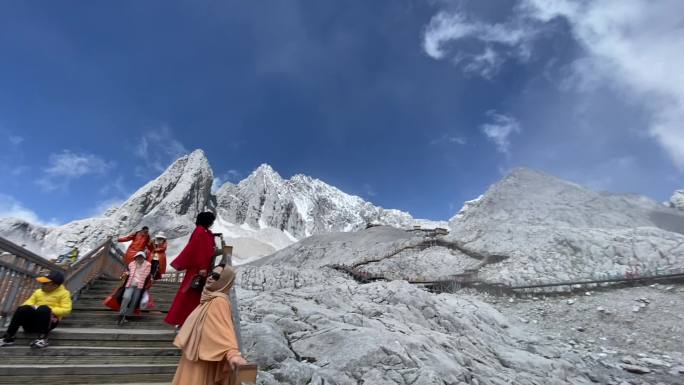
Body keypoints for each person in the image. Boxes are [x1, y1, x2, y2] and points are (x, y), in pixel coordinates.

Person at [172, 264, 247, 385]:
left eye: (216, 276)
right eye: (211, 274)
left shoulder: (219, 301)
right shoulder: (208, 299)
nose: (210, 278)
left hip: (203, 361)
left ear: (224, 281)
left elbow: (224, 330)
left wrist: (232, 354)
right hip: (195, 358)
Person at [164, 212, 218, 327]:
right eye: (211, 220)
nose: (212, 222)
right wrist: (202, 267)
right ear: (207, 220)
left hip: (200, 268)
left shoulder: (204, 231)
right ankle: (183, 320)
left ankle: (187, 320)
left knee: (193, 294)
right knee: (191, 294)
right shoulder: (200, 231)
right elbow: (199, 250)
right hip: (198, 269)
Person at [0, 270, 72, 349]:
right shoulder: (38, 292)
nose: (42, 285)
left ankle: (42, 339)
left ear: (55, 285)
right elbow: (27, 304)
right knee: (22, 308)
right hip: (30, 324)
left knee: (44, 309)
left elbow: (66, 310)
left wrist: (48, 309)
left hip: (49, 322)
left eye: (45, 283)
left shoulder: (64, 293)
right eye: (42, 283)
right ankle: (9, 336)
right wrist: (35, 308)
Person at [118, 251, 152, 325]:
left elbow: (146, 275)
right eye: (138, 257)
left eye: (141, 257)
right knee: (126, 297)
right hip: (130, 284)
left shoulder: (148, 265)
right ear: (135, 257)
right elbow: (128, 271)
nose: (139, 258)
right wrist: (125, 274)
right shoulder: (131, 264)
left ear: (144, 258)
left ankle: (128, 315)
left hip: (139, 286)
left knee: (134, 300)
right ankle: (121, 314)